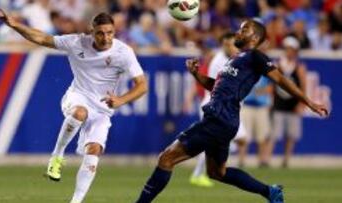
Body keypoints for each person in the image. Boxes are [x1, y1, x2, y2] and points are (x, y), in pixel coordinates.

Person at [135, 19, 328, 203]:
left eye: (245, 29)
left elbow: (282, 80)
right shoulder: (234, 60)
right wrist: (196, 75)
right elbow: (216, 86)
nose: (239, 31)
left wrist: (308, 101)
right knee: (217, 173)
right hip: (225, 120)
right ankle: (270, 191)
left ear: (255, 38)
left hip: (218, 119)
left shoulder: (255, 56)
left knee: (166, 158)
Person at [0, 9, 148, 203]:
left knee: (94, 151)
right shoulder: (76, 42)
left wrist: (121, 100)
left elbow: (142, 85)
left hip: (102, 109)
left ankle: (76, 201)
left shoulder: (123, 52)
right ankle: (56, 157)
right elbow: (42, 38)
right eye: (100, 33)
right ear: (92, 32)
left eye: (109, 32)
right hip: (77, 97)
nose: (105, 37)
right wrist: (14, 25)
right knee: (80, 112)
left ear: (114, 32)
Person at [185, 33, 248, 188]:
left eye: (231, 44)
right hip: (215, 105)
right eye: (226, 44)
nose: (229, 47)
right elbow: (217, 87)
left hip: (223, 107)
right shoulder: (220, 61)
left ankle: (201, 172)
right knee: (237, 138)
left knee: (235, 139)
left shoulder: (230, 59)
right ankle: (200, 172)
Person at [265, 36, 307, 168]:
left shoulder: (299, 67)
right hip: (279, 104)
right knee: (274, 134)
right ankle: (267, 159)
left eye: (292, 50)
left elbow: (303, 87)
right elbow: (272, 85)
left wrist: (301, 103)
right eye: (288, 49)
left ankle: (286, 160)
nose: (290, 52)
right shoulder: (278, 65)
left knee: (291, 135)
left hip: (293, 105)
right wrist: (270, 100)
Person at [241, 76, 272, 167]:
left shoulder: (266, 72)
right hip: (247, 105)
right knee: (244, 135)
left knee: (262, 136)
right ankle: (241, 160)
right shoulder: (247, 70)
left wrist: (260, 91)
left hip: (261, 106)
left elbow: (271, 88)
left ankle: (262, 160)